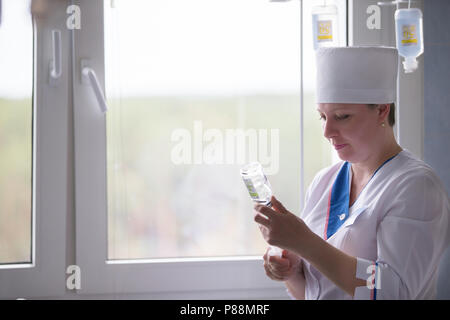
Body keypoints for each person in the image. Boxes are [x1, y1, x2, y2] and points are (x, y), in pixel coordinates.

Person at [253, 46, 450, 299]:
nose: (327, 131)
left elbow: (393, 292)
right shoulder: (324, 181)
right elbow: (312, 293)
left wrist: (304, 243)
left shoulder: (416, 187)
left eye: (342, 116)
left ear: (382, 110)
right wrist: (290, 269)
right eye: (322, 117)